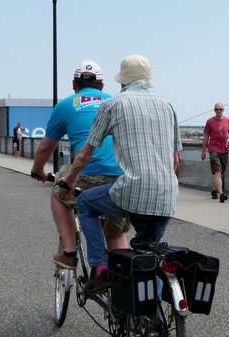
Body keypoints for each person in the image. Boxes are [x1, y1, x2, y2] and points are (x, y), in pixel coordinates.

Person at [59, 54, 182, 292]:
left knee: (85, 203)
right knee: (150, 257)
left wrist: (69, 179)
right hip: (167, 196)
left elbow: (84, 155)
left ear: (122, 81)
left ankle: (100, 268)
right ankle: (154, 322)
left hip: (131, 192)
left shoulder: (113, 104)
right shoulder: (168, 106)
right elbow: (176, 161)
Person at [30, 59, 130, 270]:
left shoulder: (66, 105)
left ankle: (69, 252)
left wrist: (38, 170)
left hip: (87, 176)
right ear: (102, 86)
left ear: (74, 85)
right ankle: (124, 286)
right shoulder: (115, 102)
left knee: (59, 189)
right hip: (121, 178)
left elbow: (45, 148)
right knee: (116, 234)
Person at [201, 102, 229, 203]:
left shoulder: (228, 120)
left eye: (220, 109)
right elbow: (206, 137)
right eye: (216, 109)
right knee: (218, 172)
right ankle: (221, 194)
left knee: (221, 173)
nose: (218, 111)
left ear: (223, 110)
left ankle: (214, 191)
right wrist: (203, 151)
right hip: (213, 149)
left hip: (224, 149)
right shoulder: (210, 122)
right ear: (214, 110)